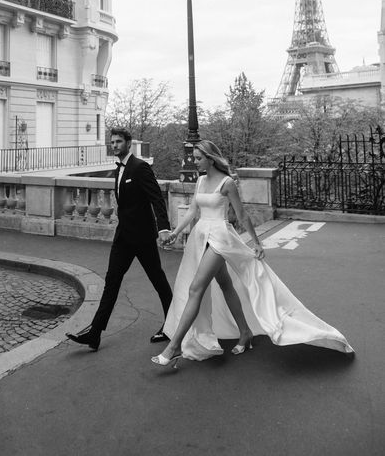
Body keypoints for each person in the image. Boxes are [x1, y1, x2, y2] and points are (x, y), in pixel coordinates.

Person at [152, 140, 354, 369]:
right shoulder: (199, 181)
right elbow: (192, 211)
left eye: (198, 158)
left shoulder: (227, 182)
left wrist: (256, 243)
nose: (194, 162)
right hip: (201, 237)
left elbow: (242, 215)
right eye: (194, 158)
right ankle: (245, 331)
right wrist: (175, 233)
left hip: (219, 238)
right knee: (226, 284)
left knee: (195, 288)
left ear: (210, 158)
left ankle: (174, 346)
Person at [67, 128, 173, 351]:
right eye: (112, 142)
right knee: (111, 282)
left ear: (128, 143)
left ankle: (173, 325)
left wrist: (163, 228)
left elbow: (157, 199)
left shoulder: (140, 167)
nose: (114, 145)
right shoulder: (119, 170)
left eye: (118, 142)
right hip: (123, 237)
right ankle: (94, 334)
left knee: (158, 281)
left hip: (143, 237)